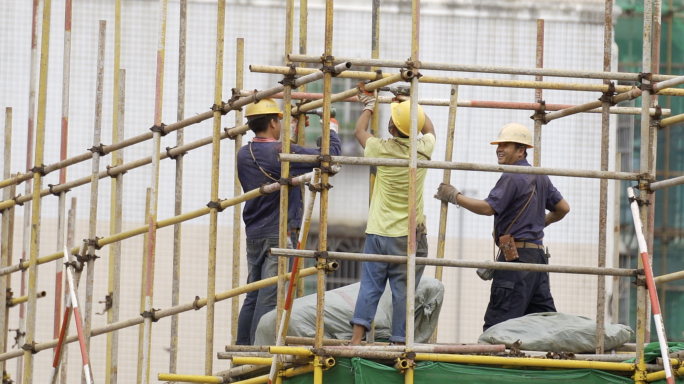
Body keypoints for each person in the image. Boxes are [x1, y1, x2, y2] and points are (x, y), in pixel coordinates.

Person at [434, 122, 570, 331]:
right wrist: (539, 222)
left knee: (498, 325)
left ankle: (496, 363)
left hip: (515, 258)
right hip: (538, 258)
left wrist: (455, 196)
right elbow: (563, 208)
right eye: (499, 144)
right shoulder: (540, 176)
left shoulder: (512, 175)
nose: (499, 149)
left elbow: (488, 208)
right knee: (543, 322)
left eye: (506, 145)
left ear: (521, 150)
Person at [236, 98, 342, 345]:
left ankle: (242, 349)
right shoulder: (281, 153)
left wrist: (293, 128)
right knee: (270, 296)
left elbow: (279, 156)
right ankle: (258, 353)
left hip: (255, 233)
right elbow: (329, 157)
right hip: (280, 232)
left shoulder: (244, 153)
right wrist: (332, 128)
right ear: (273, 122)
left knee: (253, 294)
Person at [349, 89, 436, 345]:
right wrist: (412, 105)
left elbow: (358, 132)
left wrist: (370, 105)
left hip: (378, 232)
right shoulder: (422, 149)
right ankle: (399, 342)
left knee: (370, 286)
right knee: (403, 292)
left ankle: (356, 340)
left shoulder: (380, 148)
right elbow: (429, 130)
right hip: (409, 236)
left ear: (390, 127)